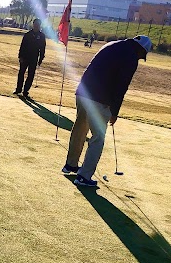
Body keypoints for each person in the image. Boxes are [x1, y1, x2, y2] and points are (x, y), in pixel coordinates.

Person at [62, 35, 152, 187]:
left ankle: (70, 165)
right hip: (98, 100)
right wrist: (114, 112)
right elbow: (121, 86)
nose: (140, 58)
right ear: (141, 50)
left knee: (80, 129)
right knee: (98, 137)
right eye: (142, 55)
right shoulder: (131, 57)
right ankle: (84, 176)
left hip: (82, 92)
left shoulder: (112, 45)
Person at [14, 19, 46, 98]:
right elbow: (22, 46)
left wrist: (41, 59)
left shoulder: (41, 36)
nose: (36, 26)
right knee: (21, 73)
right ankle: (18, 89)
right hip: (25, 57)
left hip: (34, 58)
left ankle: (26, 91)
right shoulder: (27, 35)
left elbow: (42, 48)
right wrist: (20, 56)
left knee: (31, 75)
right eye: (35, 24)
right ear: (33, 24)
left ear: (40, 25)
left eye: (38, 25)